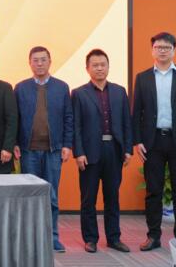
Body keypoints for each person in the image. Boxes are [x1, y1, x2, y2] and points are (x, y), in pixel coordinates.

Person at [133, 32, 176, 251]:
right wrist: (137, 141)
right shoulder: (142, 78)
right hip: (152, 142)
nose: (162, 51)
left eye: (167, 47)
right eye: (158, 47)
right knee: (153, 191)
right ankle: (153, 236)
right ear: (152, 50)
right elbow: (137, 112)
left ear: (174, 50)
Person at [72, 49, 133, 253]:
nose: (99, 68)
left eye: (103, 64)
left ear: (108, 66)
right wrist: (78, 153)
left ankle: (114, 238)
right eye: (95, 65)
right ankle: (90, 239)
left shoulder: (119, 91)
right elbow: (76, 126)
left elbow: (126, 123)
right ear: (87, 68)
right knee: (88, 198)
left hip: (114, 151)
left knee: (112, 197)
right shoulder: (79, 93)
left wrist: (127, 149)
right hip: (89, 153)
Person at [13, 46, 73, 252]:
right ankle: (30, 238)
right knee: (29, 196)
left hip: (53, 151)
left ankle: (52, 237)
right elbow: (15, 119)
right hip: (28, 151)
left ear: (50, 62)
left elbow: (68, 118)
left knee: (51, 196)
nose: (39, 64)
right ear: (29, 63)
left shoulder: (62, 87)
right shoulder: (21, 88)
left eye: (43, 60)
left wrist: (67, 145)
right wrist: (15, 143)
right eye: (35, 60)